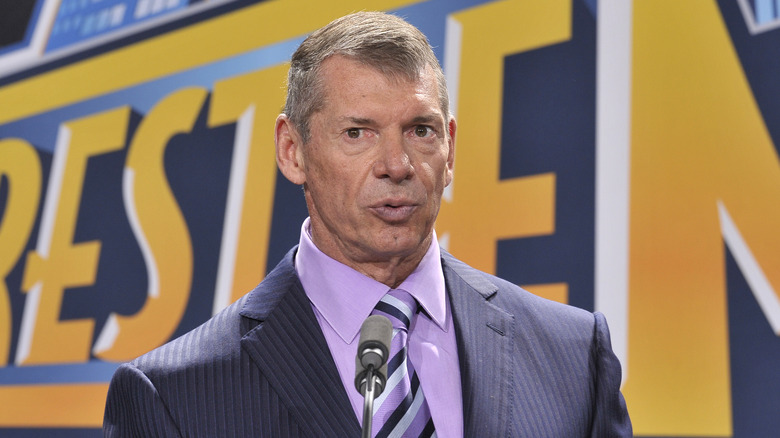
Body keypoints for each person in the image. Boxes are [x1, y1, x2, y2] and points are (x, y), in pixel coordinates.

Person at [103, 11, 632, 437]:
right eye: (358, 133)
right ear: (292, 152)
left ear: (450, 150)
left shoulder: (572, 354)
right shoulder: (174, 396)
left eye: (420, 130)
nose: (397, 164)